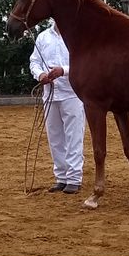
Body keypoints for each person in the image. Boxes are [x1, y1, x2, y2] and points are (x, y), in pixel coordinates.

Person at [29, 20, 86, 194]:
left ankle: (74, 178)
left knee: (73, 136)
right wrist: (40, 75)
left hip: (72, 93)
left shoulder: (76, 36)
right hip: (50, 94)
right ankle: (61, 177)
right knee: (55, 138)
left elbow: (84, 61)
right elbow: (34, 61)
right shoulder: (43, 37)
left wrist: (64, 70)